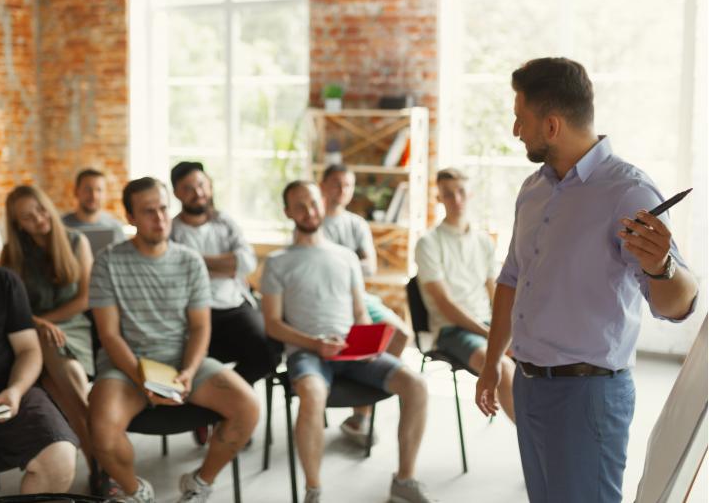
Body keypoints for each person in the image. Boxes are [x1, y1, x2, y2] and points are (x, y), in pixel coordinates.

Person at [475, 57, 698, 503]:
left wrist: (662, 268)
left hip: (588, 396)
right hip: (528, 383)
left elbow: (680, 305)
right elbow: (511, 279)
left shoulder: (628, 192)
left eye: (521, 119)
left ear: (552, 125)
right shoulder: (533, 190)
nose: (516, 131)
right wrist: (490, 362)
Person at [89, 177, 259, 503]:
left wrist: (190, 372)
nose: (160, 218)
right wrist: (142, 378)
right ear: (131, 218)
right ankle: (134, 490)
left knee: (248, 407)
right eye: (149, 211)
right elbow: (109, 335)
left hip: (181, 360)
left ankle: (199, 483)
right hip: (127, 366)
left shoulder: (189, 260)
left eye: (164, 208)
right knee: (101, 430)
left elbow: (199, 327)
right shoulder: (108, 262)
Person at [261, 181, 433, 503]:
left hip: (352, 350)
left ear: (322, 203)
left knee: (416, 385)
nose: (308, 211)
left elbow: (359, 312)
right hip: (307, 353)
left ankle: (404, 480)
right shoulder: (277, 262)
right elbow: (272, 324)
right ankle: (314, 490)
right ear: (287, 212)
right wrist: (315, 343)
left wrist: (367, 344)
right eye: (299, 206)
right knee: (312, 395)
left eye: (312, 203)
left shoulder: (346, 257)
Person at [1, 185, 95, 481]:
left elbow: (85, 299)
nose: (39, 219)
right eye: (28, 217)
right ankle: (99, 458)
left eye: (41, 210)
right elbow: (7, 307)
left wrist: (47, 321)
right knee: (67, 380)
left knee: (66, 382)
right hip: (30, 332)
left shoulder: (76, 241)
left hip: (73, 328)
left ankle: (94, 456)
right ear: (17, 223)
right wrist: (38, 323)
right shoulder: (11, 253)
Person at [319, 165, 413, 445]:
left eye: (347, 185)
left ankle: (362, 410)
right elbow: (316, 270)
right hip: (328, 301)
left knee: (400, 333)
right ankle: (355, 406)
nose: (342, 190)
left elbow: (370, 267)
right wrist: (350, 262)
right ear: (323, 185)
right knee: (356, 343)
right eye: (336, 184)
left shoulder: (356, 223)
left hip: (361, 296)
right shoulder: (313, 221)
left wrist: (341, 265)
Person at [416, 168, 515, 422]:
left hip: (488, 324)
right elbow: (445, 305)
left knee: (544, 355)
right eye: (448, 195)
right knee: (503, 367)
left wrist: (506, 330)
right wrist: (495, 337)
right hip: (452, 331)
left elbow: (495, 292)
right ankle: (538, 451)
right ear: (439, 199)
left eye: (460, 192)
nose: (456, 199)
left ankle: (552, 438)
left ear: (470, 194)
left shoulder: (483, 241)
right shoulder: (428, 243)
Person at [170, 161, 276, 385]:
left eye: (201, 185)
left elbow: (247, 263)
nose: (197, 193)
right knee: (187, 360)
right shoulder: (172, 231)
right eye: (187, 188)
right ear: (176, 193)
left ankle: (224, 397)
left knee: (267, 353)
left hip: (234, 307)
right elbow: (177, 272)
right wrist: (227, 264)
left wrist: (197, 260)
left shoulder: (225, 222)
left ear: (209, 186)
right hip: (193, 312)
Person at [0, 264, 78, 494]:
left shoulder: (3, 281)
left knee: (58, 457)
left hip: (4, 389)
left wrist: (16, 389)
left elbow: (28, 349)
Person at [63, 168, 125, 244]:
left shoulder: (115, 227)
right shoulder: (61, 226)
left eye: (99, 190)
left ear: (105, 194)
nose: (94, 196)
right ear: (76, 191)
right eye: (87, 189)